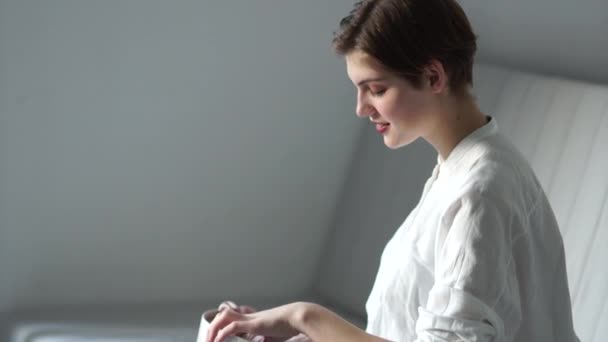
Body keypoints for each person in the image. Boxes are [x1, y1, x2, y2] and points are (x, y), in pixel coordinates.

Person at [206, 0, 580, 341]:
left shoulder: (480, 190)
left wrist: (305, 317)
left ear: (434, 77)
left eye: (376, 89)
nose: (361, 108)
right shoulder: (461, 170)